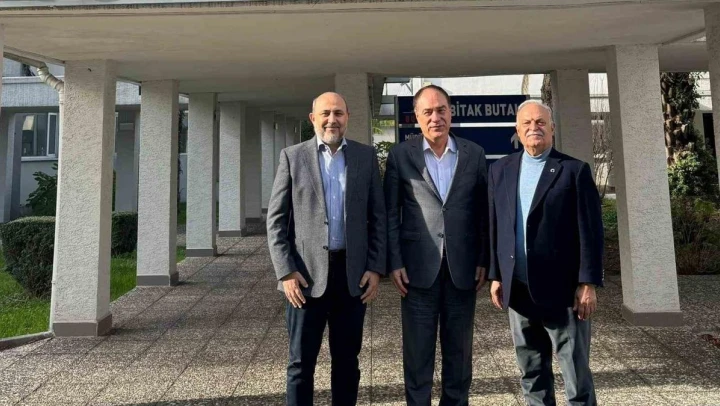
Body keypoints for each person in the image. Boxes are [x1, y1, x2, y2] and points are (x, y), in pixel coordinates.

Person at [266, 91, 387, 406]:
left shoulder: (364, 157)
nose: (332, 120)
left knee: (347, 361)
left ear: (347, 117)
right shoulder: (293, 157)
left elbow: (378, 217)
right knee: (300, 363)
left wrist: (375, 267)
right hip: (304, 278)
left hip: (352, 277)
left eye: (338, 113)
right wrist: (286, 272)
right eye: (326, 113)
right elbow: (276, 221)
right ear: (313, 119)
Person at [487, 99, 604, 406]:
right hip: (519, 290)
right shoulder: (500, 170)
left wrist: (588, 283)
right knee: (531, 373)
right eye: (527, 123)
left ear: (552, 128)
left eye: (540, 122)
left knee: (575, 374)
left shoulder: (574, 171)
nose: (533, 128)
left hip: (564, 292)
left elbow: (590, 231)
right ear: (517, 130)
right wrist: (497, 275)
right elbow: (496, 226)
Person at [384, 84, 489, 406]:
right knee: (418, 354)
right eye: (427, 112)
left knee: (460, 353)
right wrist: (394, 261)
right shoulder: (401, 155)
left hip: (463, 269)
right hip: (417, 271)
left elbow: (484, 212)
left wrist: (483, 258)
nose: (435, 117)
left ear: (450, 113)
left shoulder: (474, 154)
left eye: (441, 110)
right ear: (416, 117)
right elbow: (390, 213)